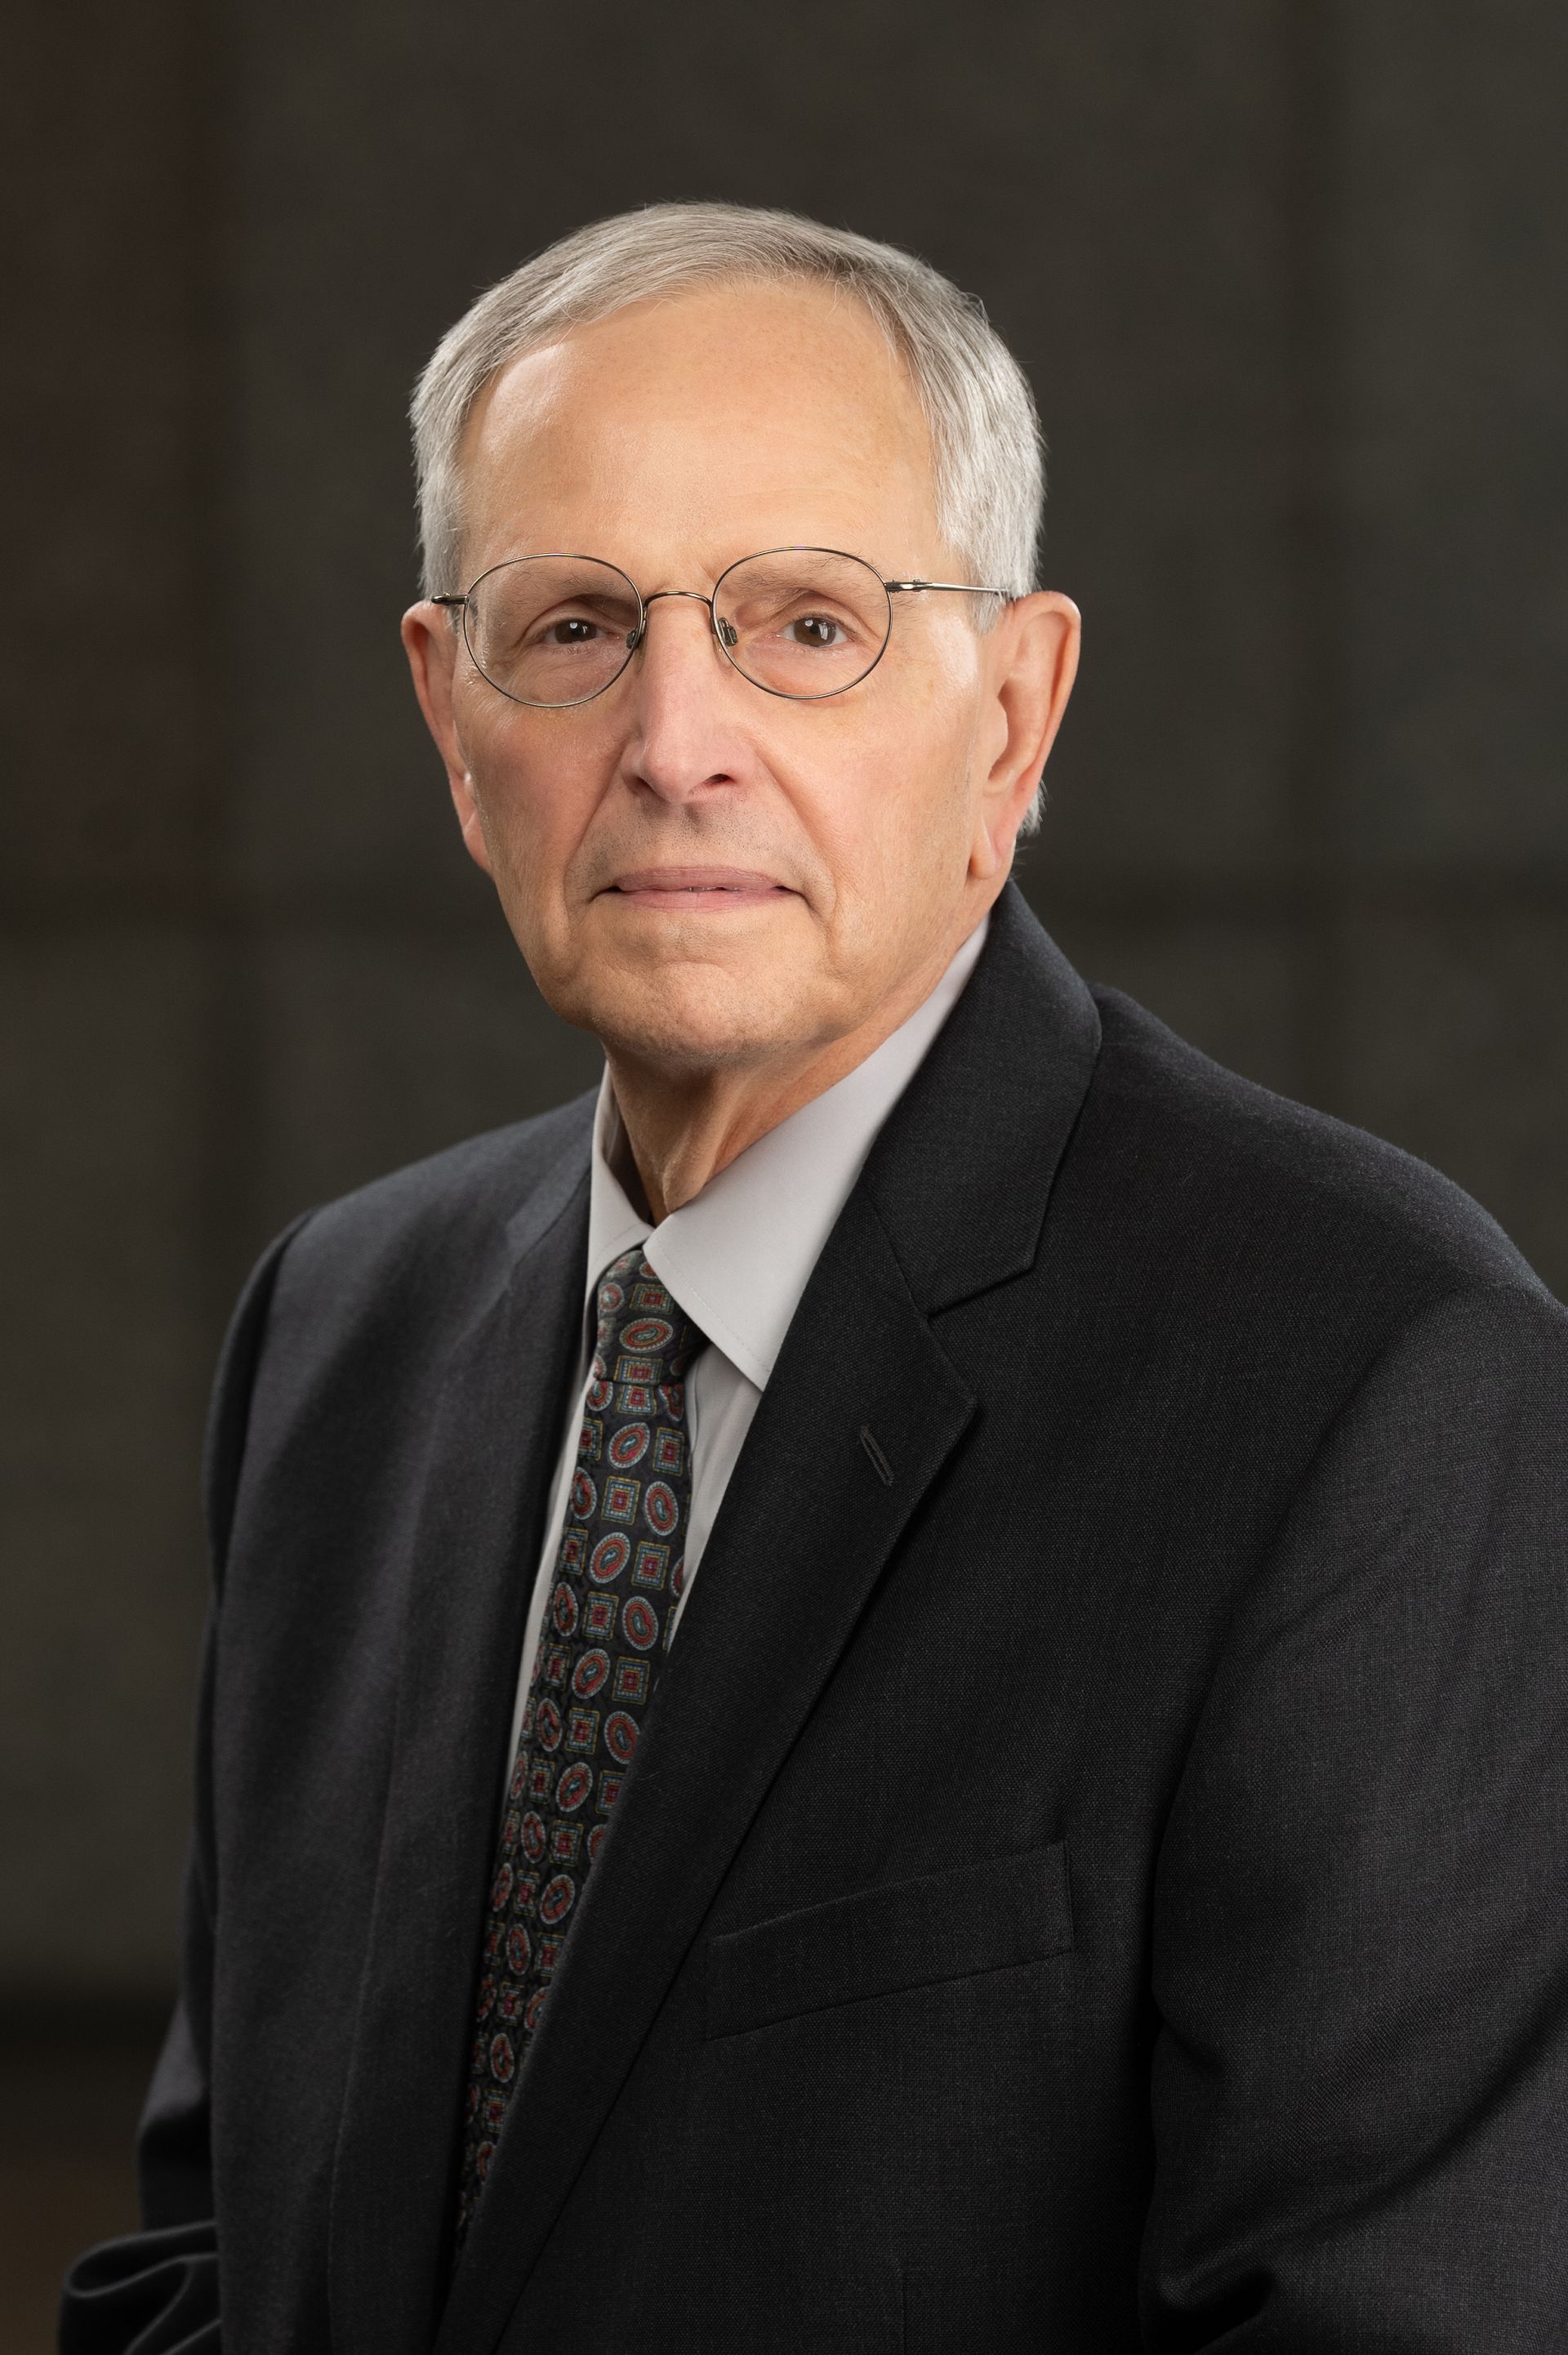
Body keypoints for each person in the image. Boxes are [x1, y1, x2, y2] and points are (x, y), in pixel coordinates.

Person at [63, 203, 1567, 2355]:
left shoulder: (1376, 1388)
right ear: (447, 714)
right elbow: (219, 2265)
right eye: (575, 625)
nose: (679, 738)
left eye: (807, 624)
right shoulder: (342, 1335)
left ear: (1015, 710)